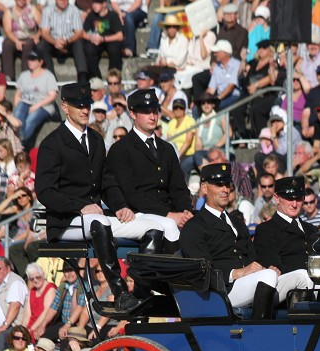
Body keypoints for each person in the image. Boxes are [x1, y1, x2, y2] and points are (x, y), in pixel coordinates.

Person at [35, 82, 162, 312]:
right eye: (78, 105)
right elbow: (44, 191)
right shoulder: (52, 144)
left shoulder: (95, 139)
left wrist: (121, 206)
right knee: (98, 221)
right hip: (65, 222)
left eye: (87, 105)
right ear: (65, 107)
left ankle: (142, 290)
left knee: (152, 228)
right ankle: (120, 293)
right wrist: (80, 207)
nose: (85, 110)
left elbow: (106, 183)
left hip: (94, 220)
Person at [180, 163, 276, 317]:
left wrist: (264, 269)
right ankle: (260, 330)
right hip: (222, 292)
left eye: (227, 184)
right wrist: (236, 273)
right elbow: (201, 271)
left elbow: (252, 258)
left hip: (250, 283)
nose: (225, 189)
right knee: (269, 277)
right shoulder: (194, 226)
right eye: (219, 185)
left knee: (300, 276)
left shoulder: (237, 222)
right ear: (204, 188)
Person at [106, 89, 193, 254]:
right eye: (146, 112)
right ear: (132, 114)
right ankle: (171, 276)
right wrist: (169, 214)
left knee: (196, 225)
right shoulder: (121, 149)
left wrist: (185, 211)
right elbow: (131, 194)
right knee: (168, 226)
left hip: (168, 212)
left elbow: (178, 188)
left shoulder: (166, 148)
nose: (152, 116)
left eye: (155, 111)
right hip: (138, 214)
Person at [252, 176, 317, 304]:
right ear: (277, 198)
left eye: (298, 199)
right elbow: (273, 265)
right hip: (283, 287)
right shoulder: (266, 229)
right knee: (303, 276)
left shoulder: (311, 229)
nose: (294, 204)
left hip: (316, 284)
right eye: (289, 198)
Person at [12, 50, 59, 146]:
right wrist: (17, 107)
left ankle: (20, 143)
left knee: (31, 119)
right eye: (29, 59)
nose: (30, 61)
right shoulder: (24, 75)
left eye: (33, 59)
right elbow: (18, 94)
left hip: (44, 106)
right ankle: (19, 140)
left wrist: (37, 105)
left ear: (41, 62)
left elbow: (53, 95)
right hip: (25, 102)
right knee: (18, 115)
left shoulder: (48, 76)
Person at [37, 0, 87, 81]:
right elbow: (44, 32)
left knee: (79, 44)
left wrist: (67, 41)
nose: (63, 1)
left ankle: (82, 77)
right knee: (41, 46)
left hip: (69, 42)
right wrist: (54, 41)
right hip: (53, 42)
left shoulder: (74, 10)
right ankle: (51, 78)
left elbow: (79, 32)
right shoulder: (47, 10)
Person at [82, 0, 123, 80]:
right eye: (93, 3)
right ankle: (96, 78)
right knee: (88, 49)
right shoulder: (91, 15)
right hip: (95, 41)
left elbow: (120, 36)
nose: (94, 5)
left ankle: (112, 76)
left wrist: (103, 39)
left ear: (104, 4)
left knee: (114, 49)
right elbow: (83, 33)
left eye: (97, 3)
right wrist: (91, 38)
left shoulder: (113, 15)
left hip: (109, 40)